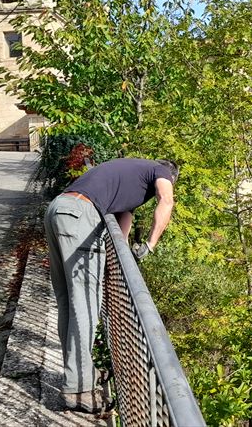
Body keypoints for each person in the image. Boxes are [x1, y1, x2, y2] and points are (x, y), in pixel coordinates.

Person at [43, 157, 178, 412]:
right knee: (85, 307)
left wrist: (122, 256)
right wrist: (149, 244)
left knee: (68, 304)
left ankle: (82, 374)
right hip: (79, 215)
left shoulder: (131, 174)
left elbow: (122, 218)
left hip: (58, 209)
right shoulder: (160, 170)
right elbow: (167, 201)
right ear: (170, 177)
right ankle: (78, 390)